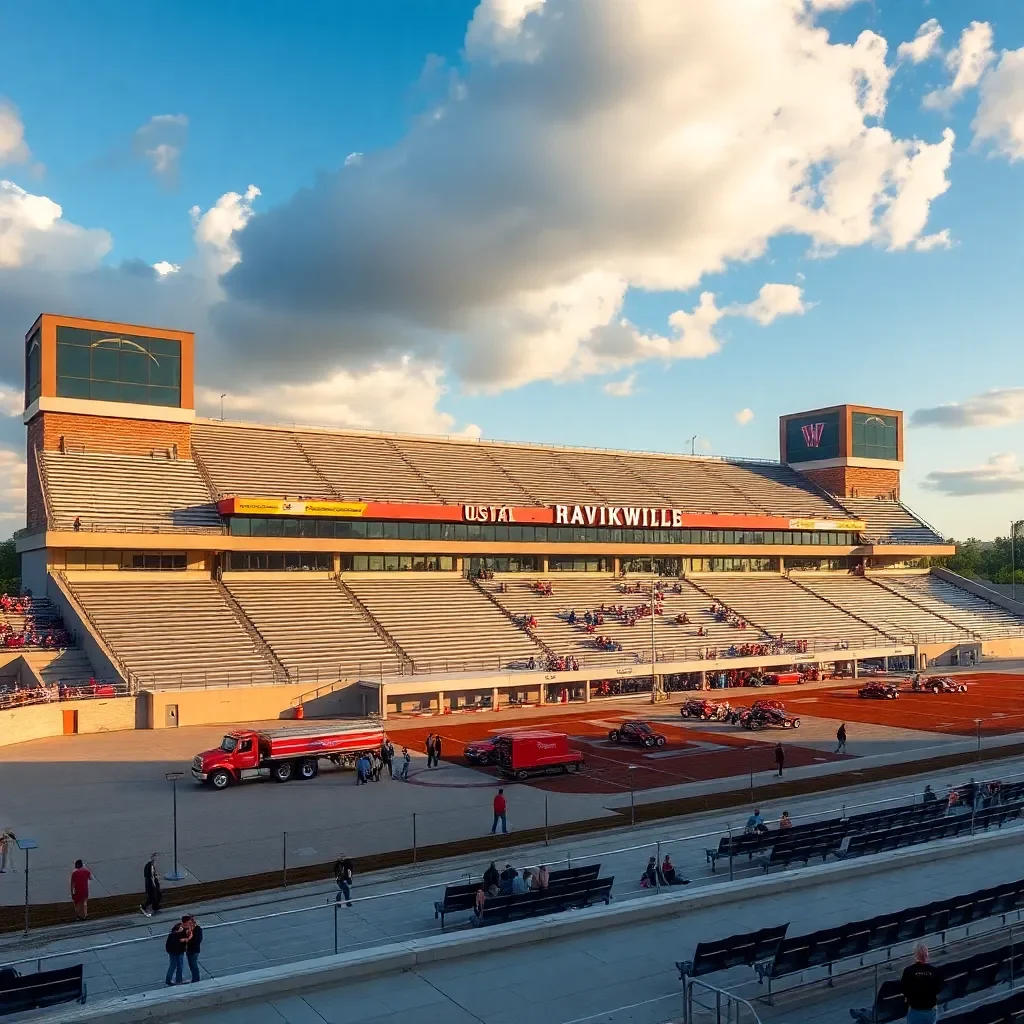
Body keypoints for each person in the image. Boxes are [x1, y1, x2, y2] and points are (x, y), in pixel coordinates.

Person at [900, 944, 942, 1023]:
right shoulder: (934, 970)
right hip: (931, 1007)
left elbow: (903, 989)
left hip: (916, 1008)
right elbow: (939, 988)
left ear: (915, 955)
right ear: (927, 955)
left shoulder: (909, 971)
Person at [164, 920, 188, 986]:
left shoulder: (174, 935)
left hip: (175, 952)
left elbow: (168, 945)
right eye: (180, 928)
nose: (182, 929)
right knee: (177, 966)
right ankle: (173, 980)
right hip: (176, 952)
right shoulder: (175, 935)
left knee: (176, 966)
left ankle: (175, 980)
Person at [184, 915, 203, 983]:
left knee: (194, 965)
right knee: (191, 965)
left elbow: (197, 940)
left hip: (195, 950)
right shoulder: (187, 929)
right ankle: (194, 978)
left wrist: (189, 939)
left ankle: (196, 979)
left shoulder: (198, 929)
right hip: (189, 949)